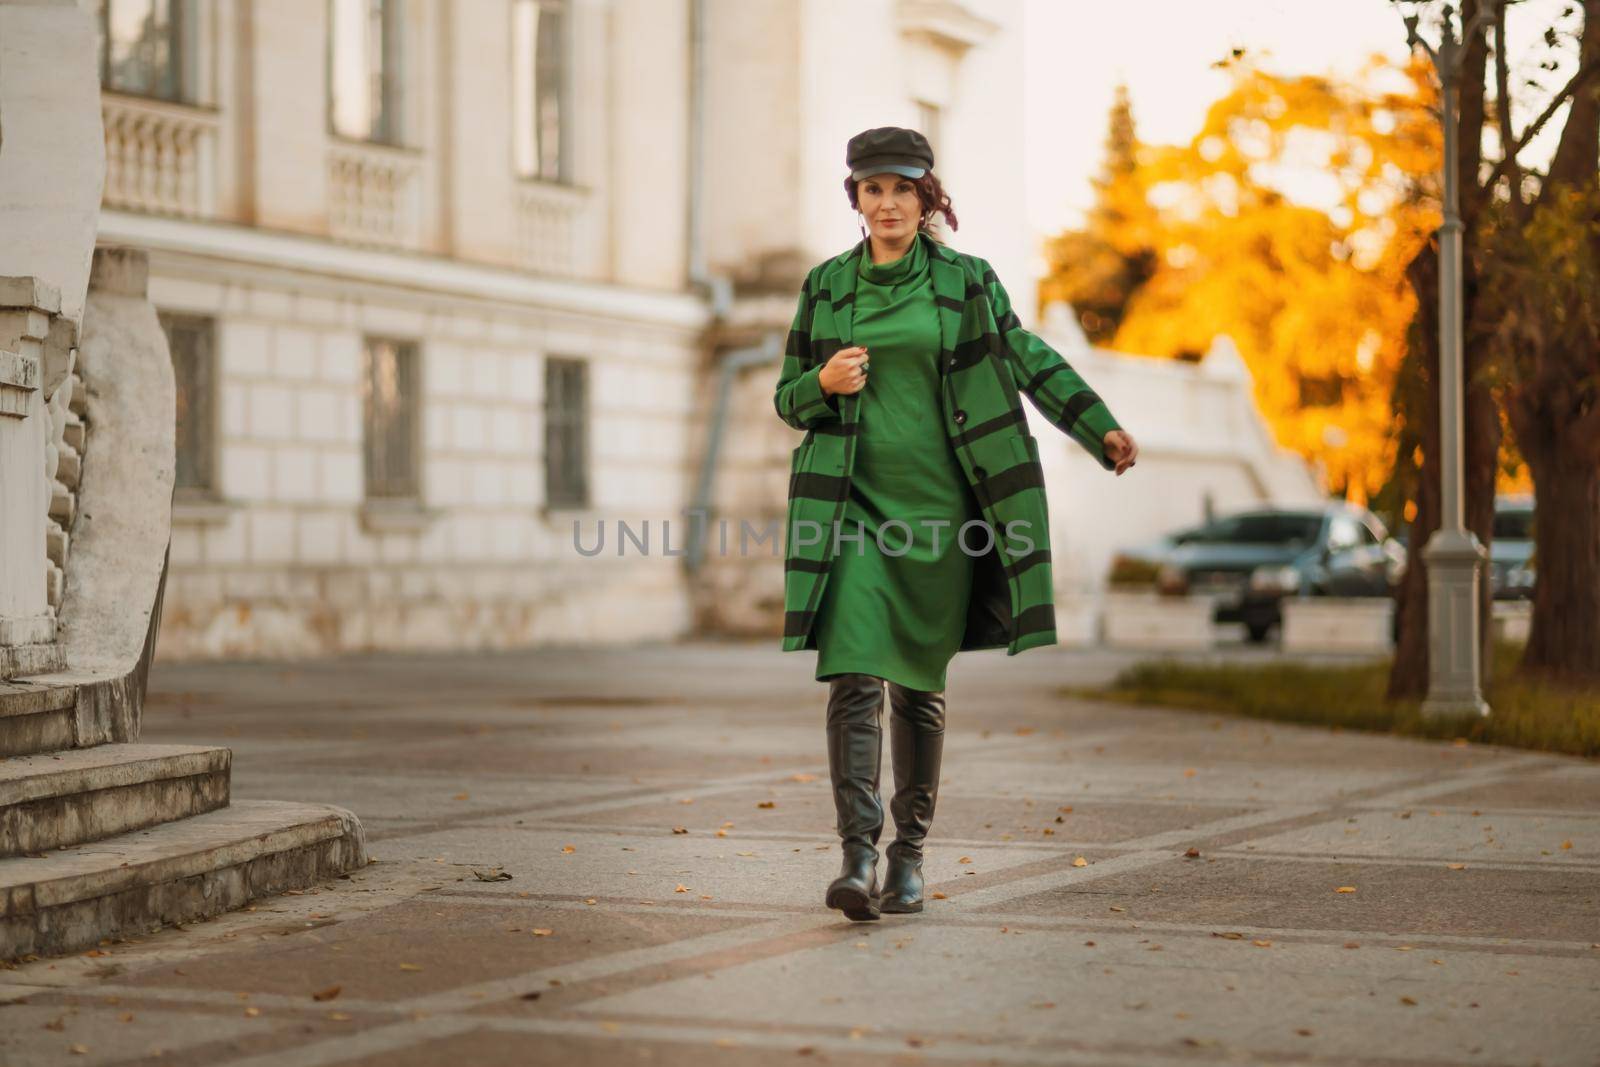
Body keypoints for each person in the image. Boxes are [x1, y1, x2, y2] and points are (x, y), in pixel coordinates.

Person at [773, 126, 1138, 922]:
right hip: (853, 509)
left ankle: (908, 855)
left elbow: (1025, 355)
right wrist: (821, 384)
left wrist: (1095, 425)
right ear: (857, 199)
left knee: (916, 688)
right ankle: (857, 853)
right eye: (873, 189)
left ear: (926, 195)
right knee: (852, 678)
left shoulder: (966, 282)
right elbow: (785, 397)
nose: (889, 203)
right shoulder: (827, 286)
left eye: (903, 188)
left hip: (942, 517)